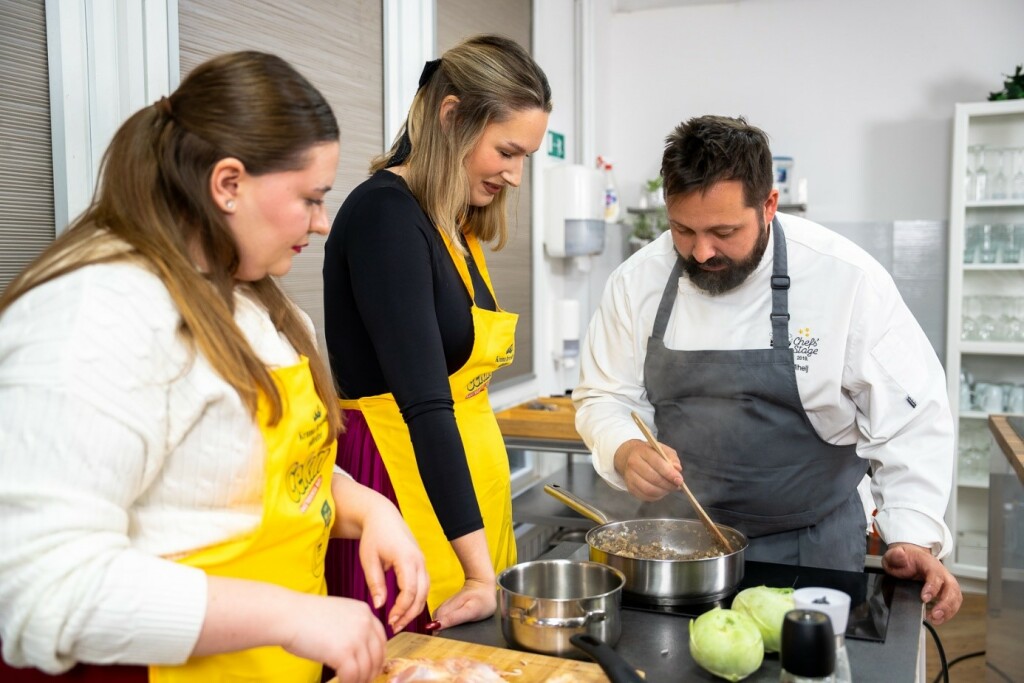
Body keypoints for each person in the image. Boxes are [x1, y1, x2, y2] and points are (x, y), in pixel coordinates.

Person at [0, 51, 428, 683]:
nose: (323, 222)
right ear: (227, 183)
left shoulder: (255, 298)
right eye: (309, 198)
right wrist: (287, 616)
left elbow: (249, 477)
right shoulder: (97, 313)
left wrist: (366, 507)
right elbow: (39, 588)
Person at [573, 115, 963, 625]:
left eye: (724, 231)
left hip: (811, 545)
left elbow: (912, 417)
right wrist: (625, 449)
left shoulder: (845, 279)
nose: (701, 250)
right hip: (677, 545)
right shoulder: (635, 281)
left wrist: (911, 534)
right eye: (682, 230)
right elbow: (603, 396)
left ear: (769, 206)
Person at [322, 34, 551, 634]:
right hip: (408, 492)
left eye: (524, 156)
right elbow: (425, 403)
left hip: (470, 502)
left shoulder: (451, 222)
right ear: (451, 117)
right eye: (507, 151)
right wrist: (478, 574)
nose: (516, 176)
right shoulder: (384, 217)